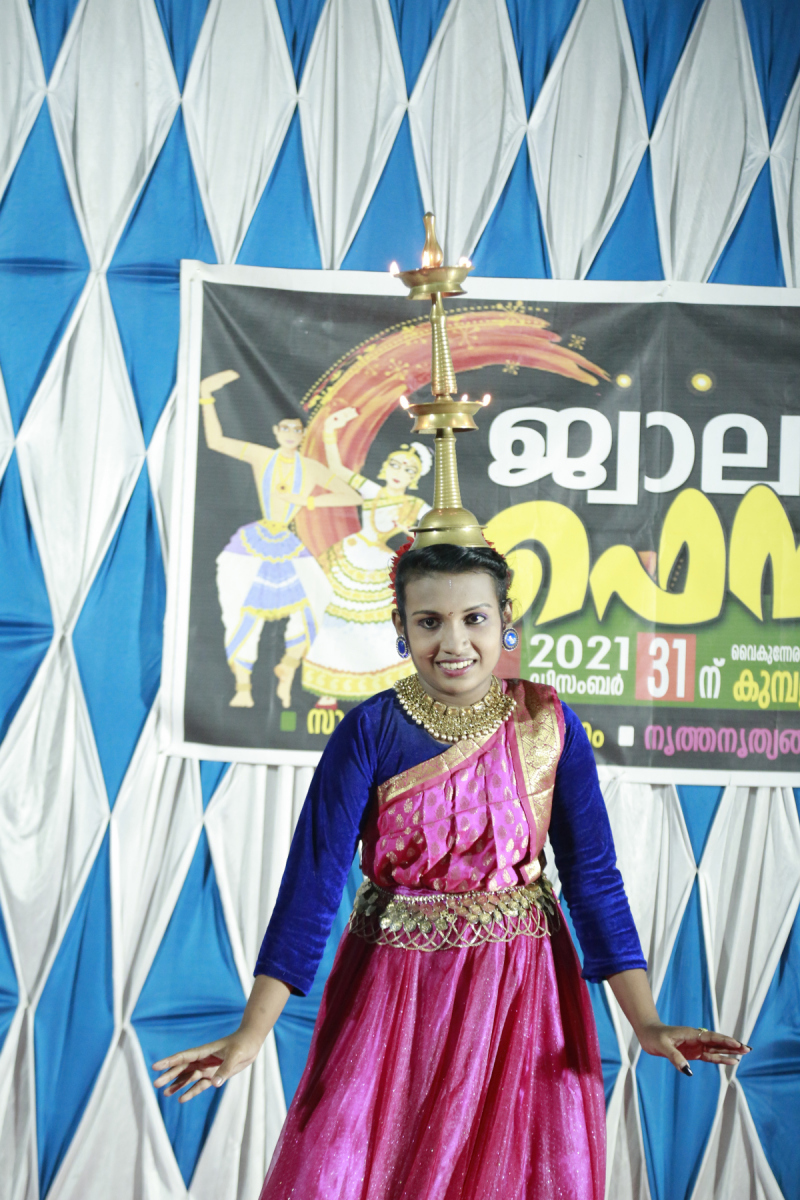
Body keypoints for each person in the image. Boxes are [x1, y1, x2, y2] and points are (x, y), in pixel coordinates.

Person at [153, 541, 749, 1199]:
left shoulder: (547, 725)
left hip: (521, 994)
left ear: (505, 619)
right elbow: (312, 884)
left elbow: (593, 879)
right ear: (401, 627)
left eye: (474, 618)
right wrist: (251, 1033)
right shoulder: (371, 730)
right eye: (430, 621)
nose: (454, 642)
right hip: (391, 993)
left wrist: (646, 1021)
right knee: (356, 1167)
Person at [200, 371, 362, 709]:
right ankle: (242, 685)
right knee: (241, 607)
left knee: (318, 597)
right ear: (276, 432)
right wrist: (206, 398)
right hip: (254, 542)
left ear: (302, 435)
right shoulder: (262, 456)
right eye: (284, 429)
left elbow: (352, 496)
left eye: (296, 430)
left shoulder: (311, 468)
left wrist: (307, 502)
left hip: (287, 543)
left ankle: (288, 665)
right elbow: (216, 441)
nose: (290, 434)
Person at [302, 405, 433, 703]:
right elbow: (338, 470)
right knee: (335, 618)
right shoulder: (372, 491)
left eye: (409, 470)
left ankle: (383, 689)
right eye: (396, 465)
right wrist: (330, 432)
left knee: (384, 625)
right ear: (385, 468)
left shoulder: (415, 506)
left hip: (382, 564)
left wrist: (409, 531)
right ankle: (330, 688)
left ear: (415, 479)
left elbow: (438, 530)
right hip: (351, 556)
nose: (400, 473)